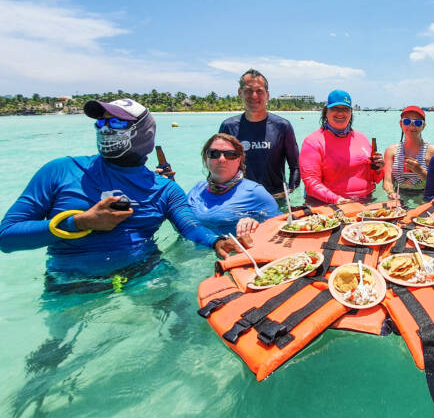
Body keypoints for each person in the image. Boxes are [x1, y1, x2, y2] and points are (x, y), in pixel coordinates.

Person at [0, 99, 235, 283]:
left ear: (144, 132)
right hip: (70, 284)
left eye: (117, 123)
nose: (105, 129)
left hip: (145, 276)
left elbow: (190, 226)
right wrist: (80, 223)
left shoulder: (164, 188)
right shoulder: (60, 170)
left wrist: (216, 242)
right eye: (101, 122)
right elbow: (7, 237)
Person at [219, 69, 301, 199]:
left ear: (267, 95)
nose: (254, 96)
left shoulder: (282, 126)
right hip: (239, 199)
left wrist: (290, 191)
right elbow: (219, 165)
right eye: (248, 91)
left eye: (259, 91)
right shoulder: (228, 127)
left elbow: (296, 166)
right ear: (240, 93)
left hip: (275, 199)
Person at [299, 90, 384, 205]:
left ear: (351, 112)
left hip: (366, 202)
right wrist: (337, 200)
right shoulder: (313, 142)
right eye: (335, 109)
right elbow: (311, 183)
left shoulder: (362, 138)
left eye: (345, 109)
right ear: (326, 112)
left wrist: (379, 169)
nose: (340, 113)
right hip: (329, 205)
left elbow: (375, 179)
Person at [187, 133, 281, 237]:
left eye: (230, 154)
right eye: (214, 153)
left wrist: (257, 224)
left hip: (230, 252)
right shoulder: (196, 189)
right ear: (205, 158)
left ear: (239, 159)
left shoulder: (255, 192)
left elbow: (280, 225)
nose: (222, 159)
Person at [382, 106, 434, 199]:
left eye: (417, 122)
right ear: (401, 124)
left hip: (423, 195)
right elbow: (388, 181)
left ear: (423, 126)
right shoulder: (391, 151)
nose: (412, 126)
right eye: (407, 121)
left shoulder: (432, 151)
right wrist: (391, 192)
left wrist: (421, 171)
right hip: (399, 194)